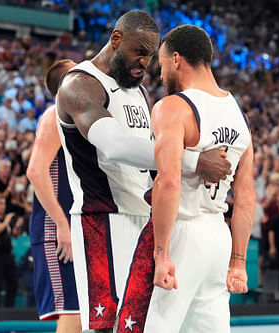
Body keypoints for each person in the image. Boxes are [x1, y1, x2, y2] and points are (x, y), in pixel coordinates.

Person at [56, 11, 230, 332]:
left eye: (151, 56)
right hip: (102, 220)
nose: (145, 62)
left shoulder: (138, 91)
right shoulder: (80, 85)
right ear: (116, 39)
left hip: (143, 218)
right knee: (104, 326)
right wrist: (193, 160)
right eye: (140, 51)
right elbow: (115, 146)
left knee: (139, 323)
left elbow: (154, 162)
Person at [144, 24, 255, 333]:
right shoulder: (239, 117)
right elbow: (245, 197)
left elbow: (168, 182)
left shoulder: (173, 107)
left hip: (183, 233)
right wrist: (238, 262)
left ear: (177, 59)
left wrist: (162, 254)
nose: (162, 74)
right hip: (218, 238)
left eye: (163, 64)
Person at [26, 59, 81, 332]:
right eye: (79, 71)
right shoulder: (54, 115)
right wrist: (62, 225)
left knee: (87, 315)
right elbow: (35, 172)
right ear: (68, 83)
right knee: (73, 313)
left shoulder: (77, 117)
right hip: (57, 227)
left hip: (75, 224)